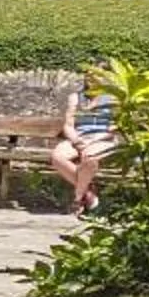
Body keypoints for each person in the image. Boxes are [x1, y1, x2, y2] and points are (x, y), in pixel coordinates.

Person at [50, 82, 117, 213]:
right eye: (88, 75)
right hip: (79, 136)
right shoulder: (75, 98)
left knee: (89, 157)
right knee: (57, 156)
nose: (90, 80)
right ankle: (88, 192)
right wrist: (76, 139)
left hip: (102, 138)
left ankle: (78, 198)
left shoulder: (113, 98)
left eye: (95, 76)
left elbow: (115, 127)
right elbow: (68, 125)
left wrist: (95, 140)